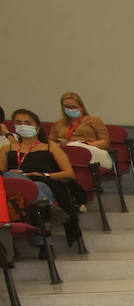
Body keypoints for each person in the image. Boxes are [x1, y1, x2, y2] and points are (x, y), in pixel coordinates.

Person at [4, 108, 85, 243]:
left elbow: (69, 173)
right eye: (19, 122)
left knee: (37, 185)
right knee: (9, 175)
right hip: (17, 190)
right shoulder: (6, 149)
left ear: (37, 126)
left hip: (45, 184)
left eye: (27, 123)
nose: (23, 125)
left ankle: (44, 221)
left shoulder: (50, 147)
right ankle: (48, 209)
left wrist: (42, 174)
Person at [49, 91, 113, 170]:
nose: (69, 110)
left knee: (76, 145)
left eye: (73, 107)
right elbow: (50, 142)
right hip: (65, 152)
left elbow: (104, 142)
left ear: (81, 107)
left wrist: (84, 144)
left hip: (89, 151)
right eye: (66, 107)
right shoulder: (58, 123)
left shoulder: (94, 120)